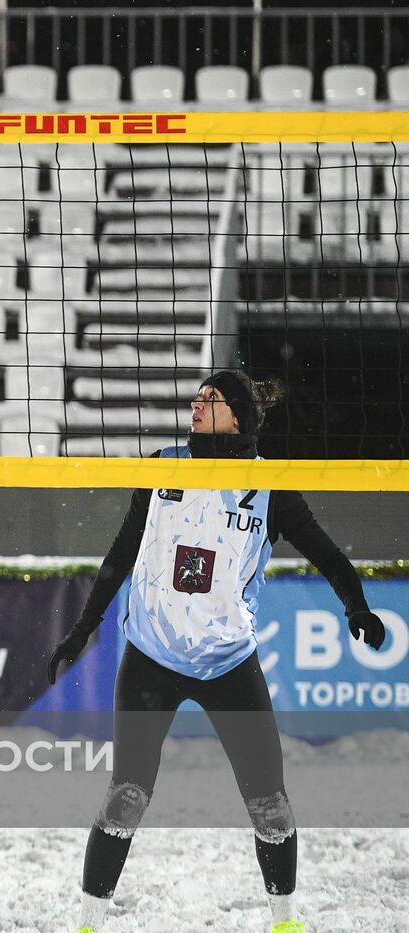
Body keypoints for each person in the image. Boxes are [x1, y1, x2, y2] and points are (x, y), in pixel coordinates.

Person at [47, 370, 387, 933]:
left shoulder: (269, 486)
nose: (198, 404)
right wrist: (85, 626)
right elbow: (121, 553)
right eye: (197, 396)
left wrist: (355, 606)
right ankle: (88, 923)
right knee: (125, 799)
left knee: (270, 806)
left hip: (229, 661)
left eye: (213, 398)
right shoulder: (163, 463)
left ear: (240, 416)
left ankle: (286, 922)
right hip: (151, 656)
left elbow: (327, 554)